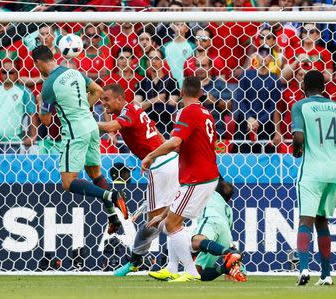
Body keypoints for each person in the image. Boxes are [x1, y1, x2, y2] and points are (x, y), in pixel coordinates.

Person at [141, 76, 241, 282]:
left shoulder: (188, 112)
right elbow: (183, 144)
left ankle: (191, 271)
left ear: (181, 91)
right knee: (170, 221)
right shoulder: (206, 113)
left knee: (171, 224)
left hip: (198, 178)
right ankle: (171, 267)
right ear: (201, 93)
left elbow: (175, 141)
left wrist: (151, 155)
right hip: (204, 176)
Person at [31, 45, 128, 234]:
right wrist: (83, 106)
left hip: (75, 130)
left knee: (68, 182)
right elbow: (98, 90)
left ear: (38, 63)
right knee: (95, 174)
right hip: (91, 126)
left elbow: (46, 120)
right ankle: (113, 218)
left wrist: (43, 103)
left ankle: (112, 194)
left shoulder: (49, 84)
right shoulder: (73, 72)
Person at [96, 84, 179, 277]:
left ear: (119, 98)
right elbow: (157, 134)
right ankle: (183, 263)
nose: (103, 103)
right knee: (170, 218)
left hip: (161, 168)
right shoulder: (135, 108)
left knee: (155, 224)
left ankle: (135, 261)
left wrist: (84, 123)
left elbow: (110, 127)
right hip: (169, 161)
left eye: (106, 99)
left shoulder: (129, 112)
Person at [291, 70, 336, 286]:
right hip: (333, 172)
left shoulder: (301, 106)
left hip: (312, 170)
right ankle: (326, 274)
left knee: (305, 219)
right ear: (324, 88)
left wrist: (296, 150)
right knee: (322, 221)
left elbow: (298, 136)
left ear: (304, 87)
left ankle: (303, 268)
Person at [149, 178, 247, 282]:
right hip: (225, 234)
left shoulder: (208, 193)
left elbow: (179, 202)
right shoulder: (227, 208)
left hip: (210, 220)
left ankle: (231, 253)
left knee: (179, 232)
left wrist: (161, 215)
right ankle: (226, 267)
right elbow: (227, 228)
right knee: (197, 273)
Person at [0, 60, 38, 154]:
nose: (7, 75)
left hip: (13, 142)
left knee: (9, 167)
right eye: (4, 72)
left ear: (17, 74)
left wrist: (33, 136)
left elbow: (32, 114)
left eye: (11, 72)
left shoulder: (25, 92)